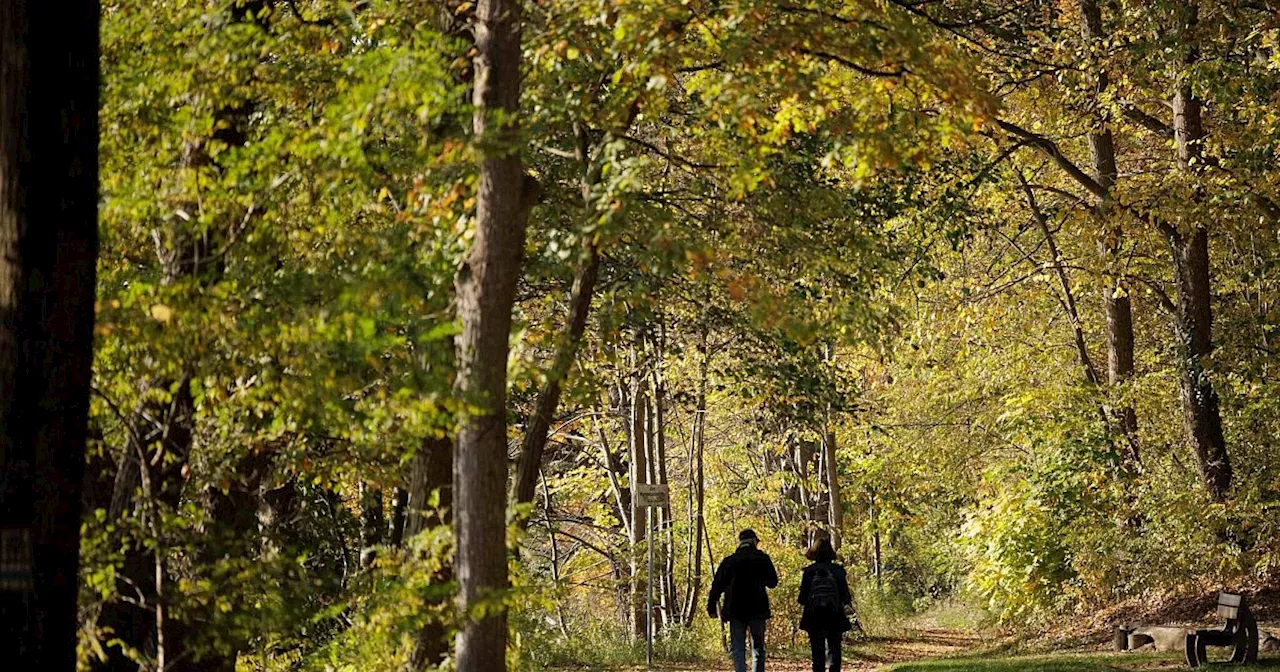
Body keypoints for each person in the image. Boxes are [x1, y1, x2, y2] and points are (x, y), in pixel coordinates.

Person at [707, 529, 779, 672]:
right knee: (758, 647)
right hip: (758, 610)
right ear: (753, 541)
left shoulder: (729, 561)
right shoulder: (762, 559)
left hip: (735, 611)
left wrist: (711, 607)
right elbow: (773, 582)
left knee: (738, 648)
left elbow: (717, 586)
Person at [798, 535, 853, 672]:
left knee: (817, 651)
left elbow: (802, 599)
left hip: (813, 615)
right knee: (834, 649)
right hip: (834, 613)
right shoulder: (838, 571)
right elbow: (846, 596)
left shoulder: (809, 572)